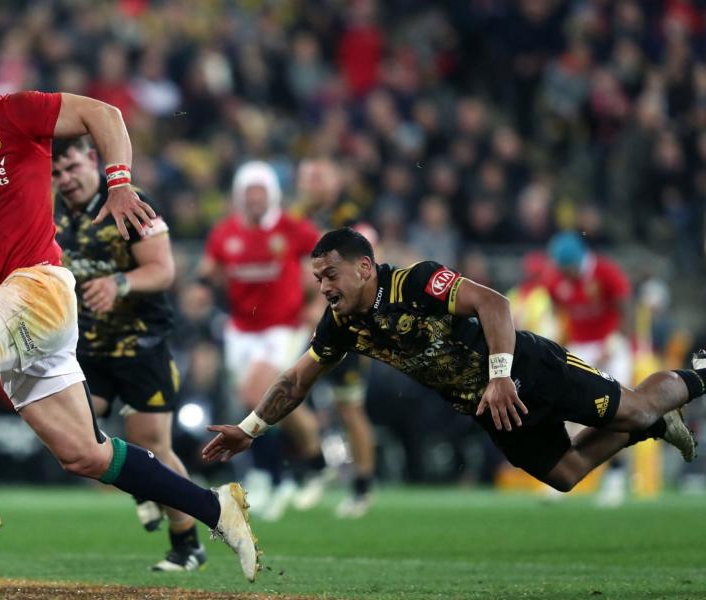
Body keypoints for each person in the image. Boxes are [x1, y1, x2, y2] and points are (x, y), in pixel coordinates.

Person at [0, 35, 258, 581]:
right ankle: (218, 510)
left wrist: (118, 184)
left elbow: (106, 114)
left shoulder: (16, 111)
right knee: (86, 457)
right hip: (18, 306)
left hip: (36, 288)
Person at [203, 228, 699, 503]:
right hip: (484, 403)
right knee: (566, 475)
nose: (325, 288)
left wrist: (501, 376)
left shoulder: (416, 282)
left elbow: (495, 304)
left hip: (526, 367)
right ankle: (657, 426)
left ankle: (698, 376)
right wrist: (251, 428)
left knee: (632, 409)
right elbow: (295, 379)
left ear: (363, 268)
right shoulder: (341, 324)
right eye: (317, 279)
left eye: (331, 275)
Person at [52, 136, 205, 572]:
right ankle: (141, 483)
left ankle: (187, 542)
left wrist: (120, 283)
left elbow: (163, 270)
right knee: (70, 437)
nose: (66, 180)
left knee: (151, 442)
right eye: (56, 173)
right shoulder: (55, 214)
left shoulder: (130, 202)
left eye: (72, 167)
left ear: (93, 161)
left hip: (141, 344)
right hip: (89, 349)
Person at [198, 161, 329, 521]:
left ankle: (270, 474)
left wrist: (317, 303)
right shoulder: (225, 233)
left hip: (282, 327)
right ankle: (313, 461)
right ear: (240, 196)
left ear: (271, 195)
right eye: (249, 192)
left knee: (263, 393)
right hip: (242, 330)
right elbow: (207, 272)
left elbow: (327, 264)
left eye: (261, 192)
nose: (255, 199)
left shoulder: (292, 229)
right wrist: (203, 287)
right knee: (265, 401)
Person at [292, 159, 377, 518]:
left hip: (345, 321)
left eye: (319, 176)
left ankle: (361, 485)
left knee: (348, 406)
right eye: (307, 177)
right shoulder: (294, 218)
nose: (311, 183)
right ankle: (314, 465)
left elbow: (367, 260)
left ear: (334, 180)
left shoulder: (349, 215)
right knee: (286, 390)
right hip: (298, 320)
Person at [544, 231, 633, 506]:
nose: (563, 274)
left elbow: (626, 310)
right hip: (580, 348)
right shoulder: (557, 280)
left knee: (615, 412)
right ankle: (560, 478)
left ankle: (616, 479)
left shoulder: (605, 272)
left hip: (610, 345)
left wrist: (615, 342)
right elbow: (559, 312)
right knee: (567, 414)